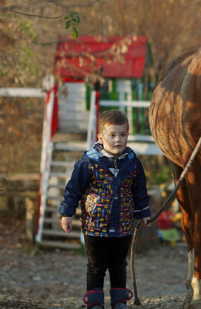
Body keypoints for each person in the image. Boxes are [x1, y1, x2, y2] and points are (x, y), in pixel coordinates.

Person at [59, 110, 152, 309]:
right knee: (96, 265)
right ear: (100, 137)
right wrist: (67, 213)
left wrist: (143, 213)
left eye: (123, 134)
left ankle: (119, 301)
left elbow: (139, 191)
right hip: (95, 225)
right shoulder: (88, 163)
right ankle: (95, 303)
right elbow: (73, 189)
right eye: (112, 135)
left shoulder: (133, 163)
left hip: (123, 224)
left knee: (118, 264)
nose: (118, 139)